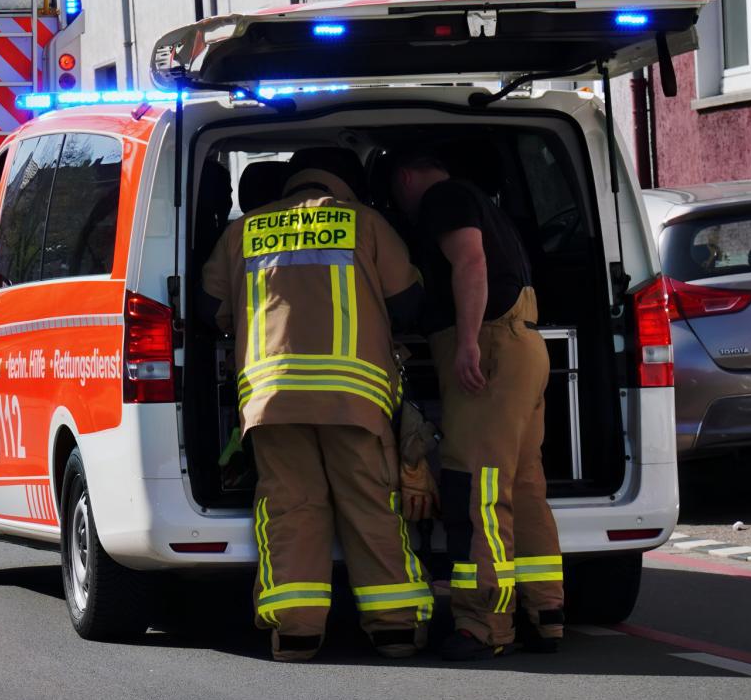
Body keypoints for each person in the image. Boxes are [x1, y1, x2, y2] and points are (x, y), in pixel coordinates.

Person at [202, 148, 432, 661]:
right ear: (348, 183)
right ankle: (394, 627)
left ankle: (297, 631)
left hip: (272, 400)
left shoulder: (243, 231)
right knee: (370, 505)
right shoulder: (365, 223)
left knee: (290, 507)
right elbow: (408, 305)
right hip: (355, 399)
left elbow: (208, 308)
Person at [381, 150, 562, 659]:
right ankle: (545, 613)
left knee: (477, 489)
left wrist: (466, 343)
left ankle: (484, 625)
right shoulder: (484, 203)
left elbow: (470, 261)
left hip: (491, 349)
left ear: (406, 176)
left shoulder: (442, 198)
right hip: (523, 345)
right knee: (523, 486)